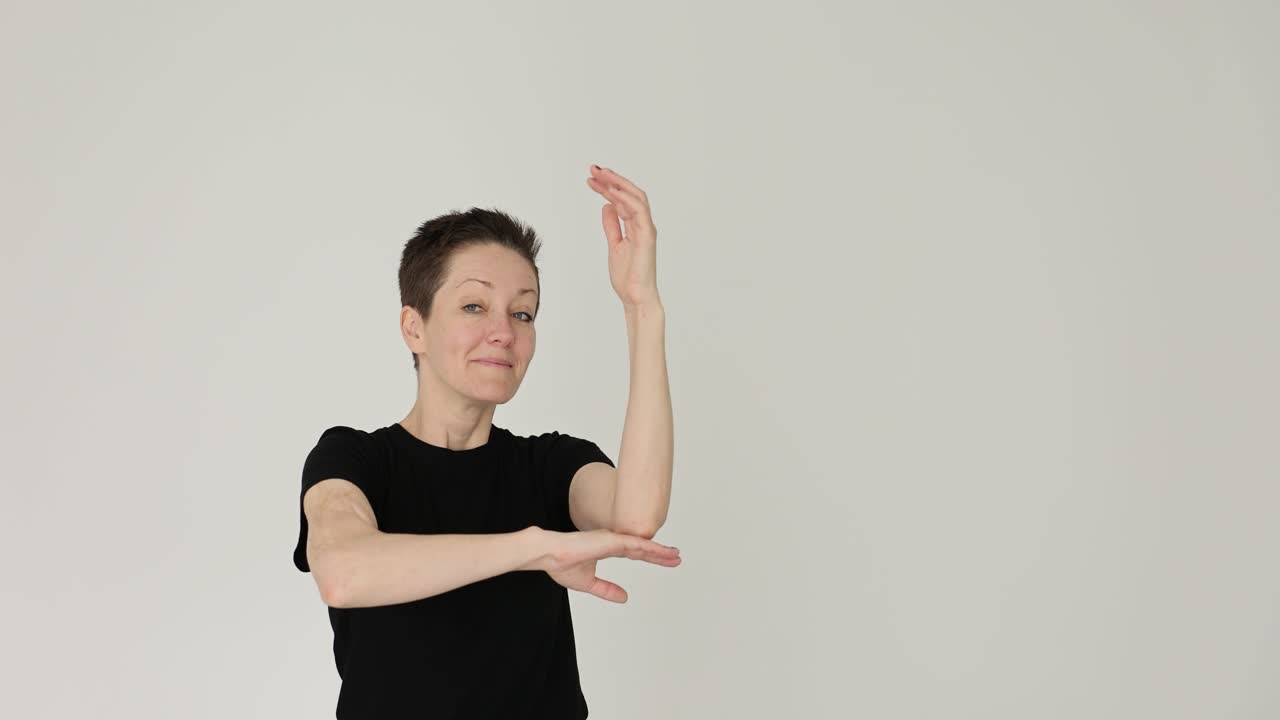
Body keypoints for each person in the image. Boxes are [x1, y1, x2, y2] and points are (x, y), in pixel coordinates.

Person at [292, 165, 680, 719]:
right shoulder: (352, 459)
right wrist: (536, 548)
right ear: (414, 327)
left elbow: (638, 516)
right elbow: (344, 572)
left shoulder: (549, 465)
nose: (505, 331)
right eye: (474, 306)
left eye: (522, 312)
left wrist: (643, 307)